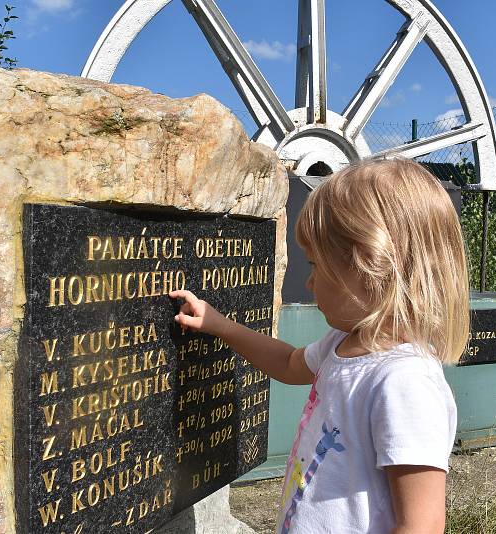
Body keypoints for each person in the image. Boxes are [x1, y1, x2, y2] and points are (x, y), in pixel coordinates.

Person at [170, 158, 468, 534]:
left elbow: (421, 525)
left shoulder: (404, 383)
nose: (309, 283)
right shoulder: (344, 342)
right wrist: (220, 325)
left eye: (316, 265)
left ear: (372, 265)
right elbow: (289, 363)